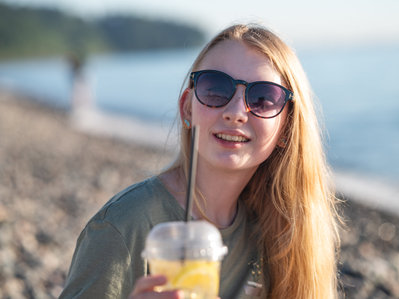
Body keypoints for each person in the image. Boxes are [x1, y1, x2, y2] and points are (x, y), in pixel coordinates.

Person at [59, 23, 341, 299]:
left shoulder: (279, 235)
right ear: (187, 108)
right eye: (216, 89)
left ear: (287, 126)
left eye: (263, 98)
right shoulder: (124, 226)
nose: (236, 112)